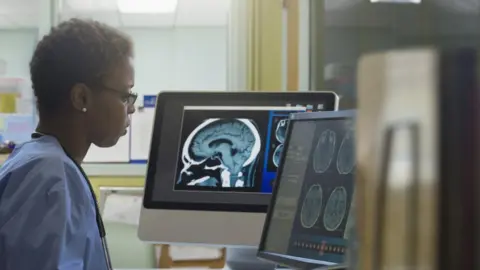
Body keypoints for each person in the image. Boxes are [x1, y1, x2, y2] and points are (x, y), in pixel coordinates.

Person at [0, 18, 136, 270]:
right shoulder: (50, 177)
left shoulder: (39, 161)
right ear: (81, 97)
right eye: (125, 95)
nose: (132, 108)